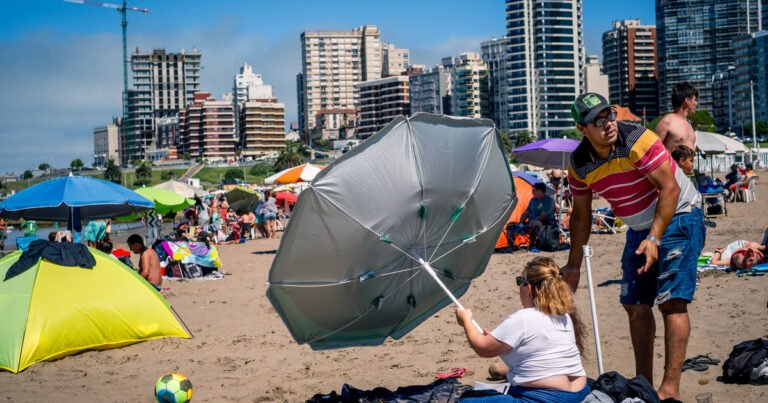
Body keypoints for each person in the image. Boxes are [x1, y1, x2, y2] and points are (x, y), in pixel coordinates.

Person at [564, 93, 704, 401]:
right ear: (581, 128)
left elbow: (670, 188)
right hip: (639, 225)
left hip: (679, 213)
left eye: (609, 114)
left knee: (671, 301)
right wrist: (573, 264)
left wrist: (654, 239)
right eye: (598, 120)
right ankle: (644, 385)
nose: (608, 123)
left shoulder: (636, 140)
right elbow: (582, 216)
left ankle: (669, 390)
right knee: (635, 305)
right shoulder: (579, 164)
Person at [455, 257, 588, 402]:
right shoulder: (563, 316)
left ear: (529, 288)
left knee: (467, 401)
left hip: (545, 398)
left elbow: (483, 349)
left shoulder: (524, 318)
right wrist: (495, 341)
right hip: (580, 392)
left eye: (520, 282)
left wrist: (466, 321)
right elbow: (533, 349)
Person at [654, 82, 699, 152]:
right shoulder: (667, 122)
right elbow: (653, 150)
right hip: (671, 163)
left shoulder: (688, 123)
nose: (696, 103)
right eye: (695, 100)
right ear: (687, 100)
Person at [518, 182, 555, 247]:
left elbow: (543, 216)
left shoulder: (549, 200)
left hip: (545, 224)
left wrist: (531, 221)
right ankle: (510, 246)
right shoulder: (532, 200)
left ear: (540, 191)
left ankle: (532, 243)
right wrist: (520, 222)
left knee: (534, 223)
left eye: (534, 191)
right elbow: (526, 213)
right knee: (511, 225)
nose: (532, 193)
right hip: (532, 223)